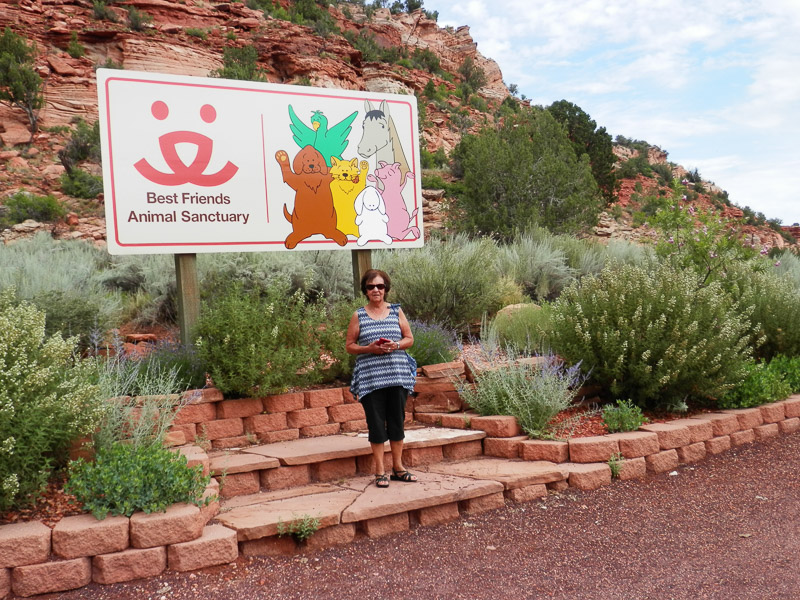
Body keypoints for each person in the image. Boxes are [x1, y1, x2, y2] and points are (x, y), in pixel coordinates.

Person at [346, 269, 418, 488]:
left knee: (397, 422)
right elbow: (350, 346)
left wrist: (395, 345)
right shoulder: (359, 315)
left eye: (380, 286)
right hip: (371, 380)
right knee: (376, 425)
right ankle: (379, 471)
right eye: (371, 287)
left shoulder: (396, 311)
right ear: (365, 291)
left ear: (386, 288)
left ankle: (398, 468)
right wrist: (369, 348)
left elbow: (409, 339)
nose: (375, 290)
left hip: (397, 376)